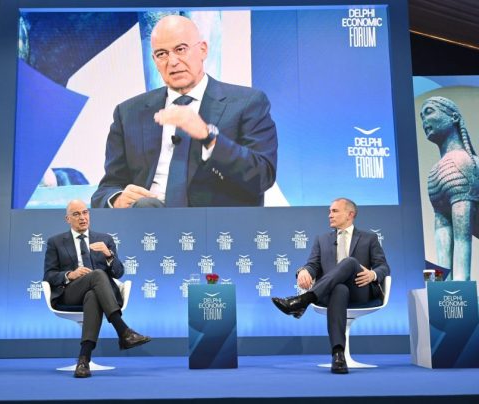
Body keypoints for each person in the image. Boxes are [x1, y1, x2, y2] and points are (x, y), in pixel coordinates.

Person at [91, 14, 277, 208]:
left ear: (203, 50)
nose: (172, 61)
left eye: (180, 49)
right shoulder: (128, 113)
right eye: (162, 54)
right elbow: (107, 188)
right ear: (154, 60)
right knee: (145, 207)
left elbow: (262, 177)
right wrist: (117, 199)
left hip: (214, 221)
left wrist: (209, 137)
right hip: (146, 219)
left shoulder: (247, 103)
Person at [271, 198, 390, 374]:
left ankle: (303, 301)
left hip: (360, 291)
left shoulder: (369, 238)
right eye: (329, 211)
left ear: (350, 214)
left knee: (350, 262)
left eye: (335, 211)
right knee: (339, 289)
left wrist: (373, 274)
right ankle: (338, 354)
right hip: (332, 293)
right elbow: (312, 265)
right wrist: (304, 271)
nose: (329, 215)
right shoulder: (322, 239)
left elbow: (383, 267)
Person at [43, 199, 151, 378]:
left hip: (101, 294)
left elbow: (118, 273)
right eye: (76, 214)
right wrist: (70, 274)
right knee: (98, 275)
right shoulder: (56, 242)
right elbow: (49, 275)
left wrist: (108, 255)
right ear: (67, 219)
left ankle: (83, 360)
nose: (82, 217)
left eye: (85, 212)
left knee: (93, 294)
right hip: (70, 293)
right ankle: (123, 330)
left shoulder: (105, 240)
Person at [420, 96, 479, 281]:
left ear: (453, 117)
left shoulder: (463, 162)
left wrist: (460, 285)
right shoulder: (435, 171)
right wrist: (439, 284)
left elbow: (463, 235)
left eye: (429, 112)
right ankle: (440, 284)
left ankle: (459, 285)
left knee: (461, 234)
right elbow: (442, 228)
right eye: (422, 116)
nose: (424, 121)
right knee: (442, 228)